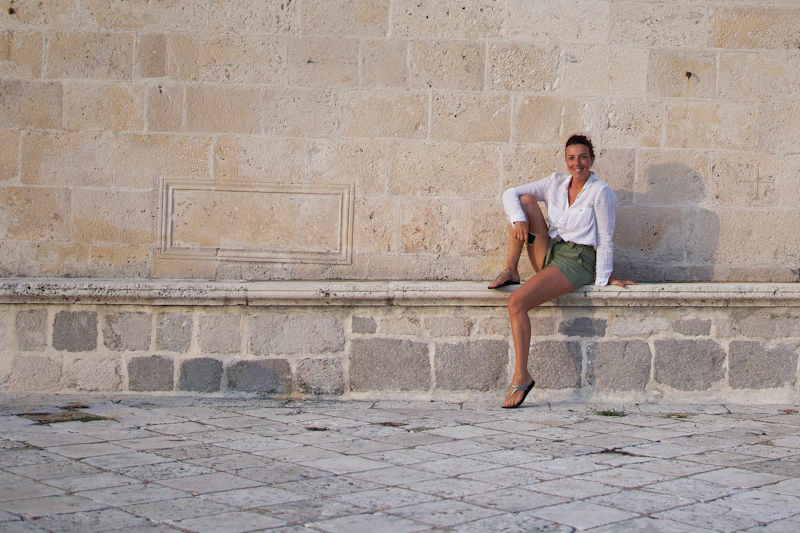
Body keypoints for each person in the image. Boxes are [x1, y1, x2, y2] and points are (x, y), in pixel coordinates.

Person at [488, 134, 634, 409]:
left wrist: (605, 278)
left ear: (591, 160)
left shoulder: (600, 192)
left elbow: (605, 237)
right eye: (571, 158)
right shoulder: (555, 182)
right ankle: (511, 269)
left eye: (582, 157)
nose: (576, 163)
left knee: (516, 301)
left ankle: (522, 376)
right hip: (552, 252)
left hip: (578, 260)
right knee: (527, 201)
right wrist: (519, 219)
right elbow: (511, 193)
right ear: (565, 160)